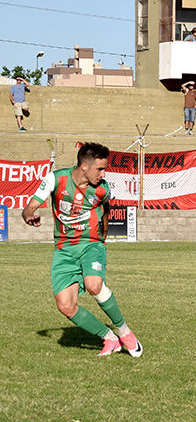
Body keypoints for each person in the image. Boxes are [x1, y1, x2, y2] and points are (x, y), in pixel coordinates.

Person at [22, 142, 143, 357]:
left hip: (91, 244)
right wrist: (29, 214)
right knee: (66, 306)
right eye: (100, 168)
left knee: (94, 285)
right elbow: (30, 206)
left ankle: (125, 331)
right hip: (64, 248)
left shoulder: (102, 188)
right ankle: (109, 338)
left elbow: (106, 207)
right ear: (84, 167)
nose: (104, 173)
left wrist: (103, 233)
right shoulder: (56, 179)